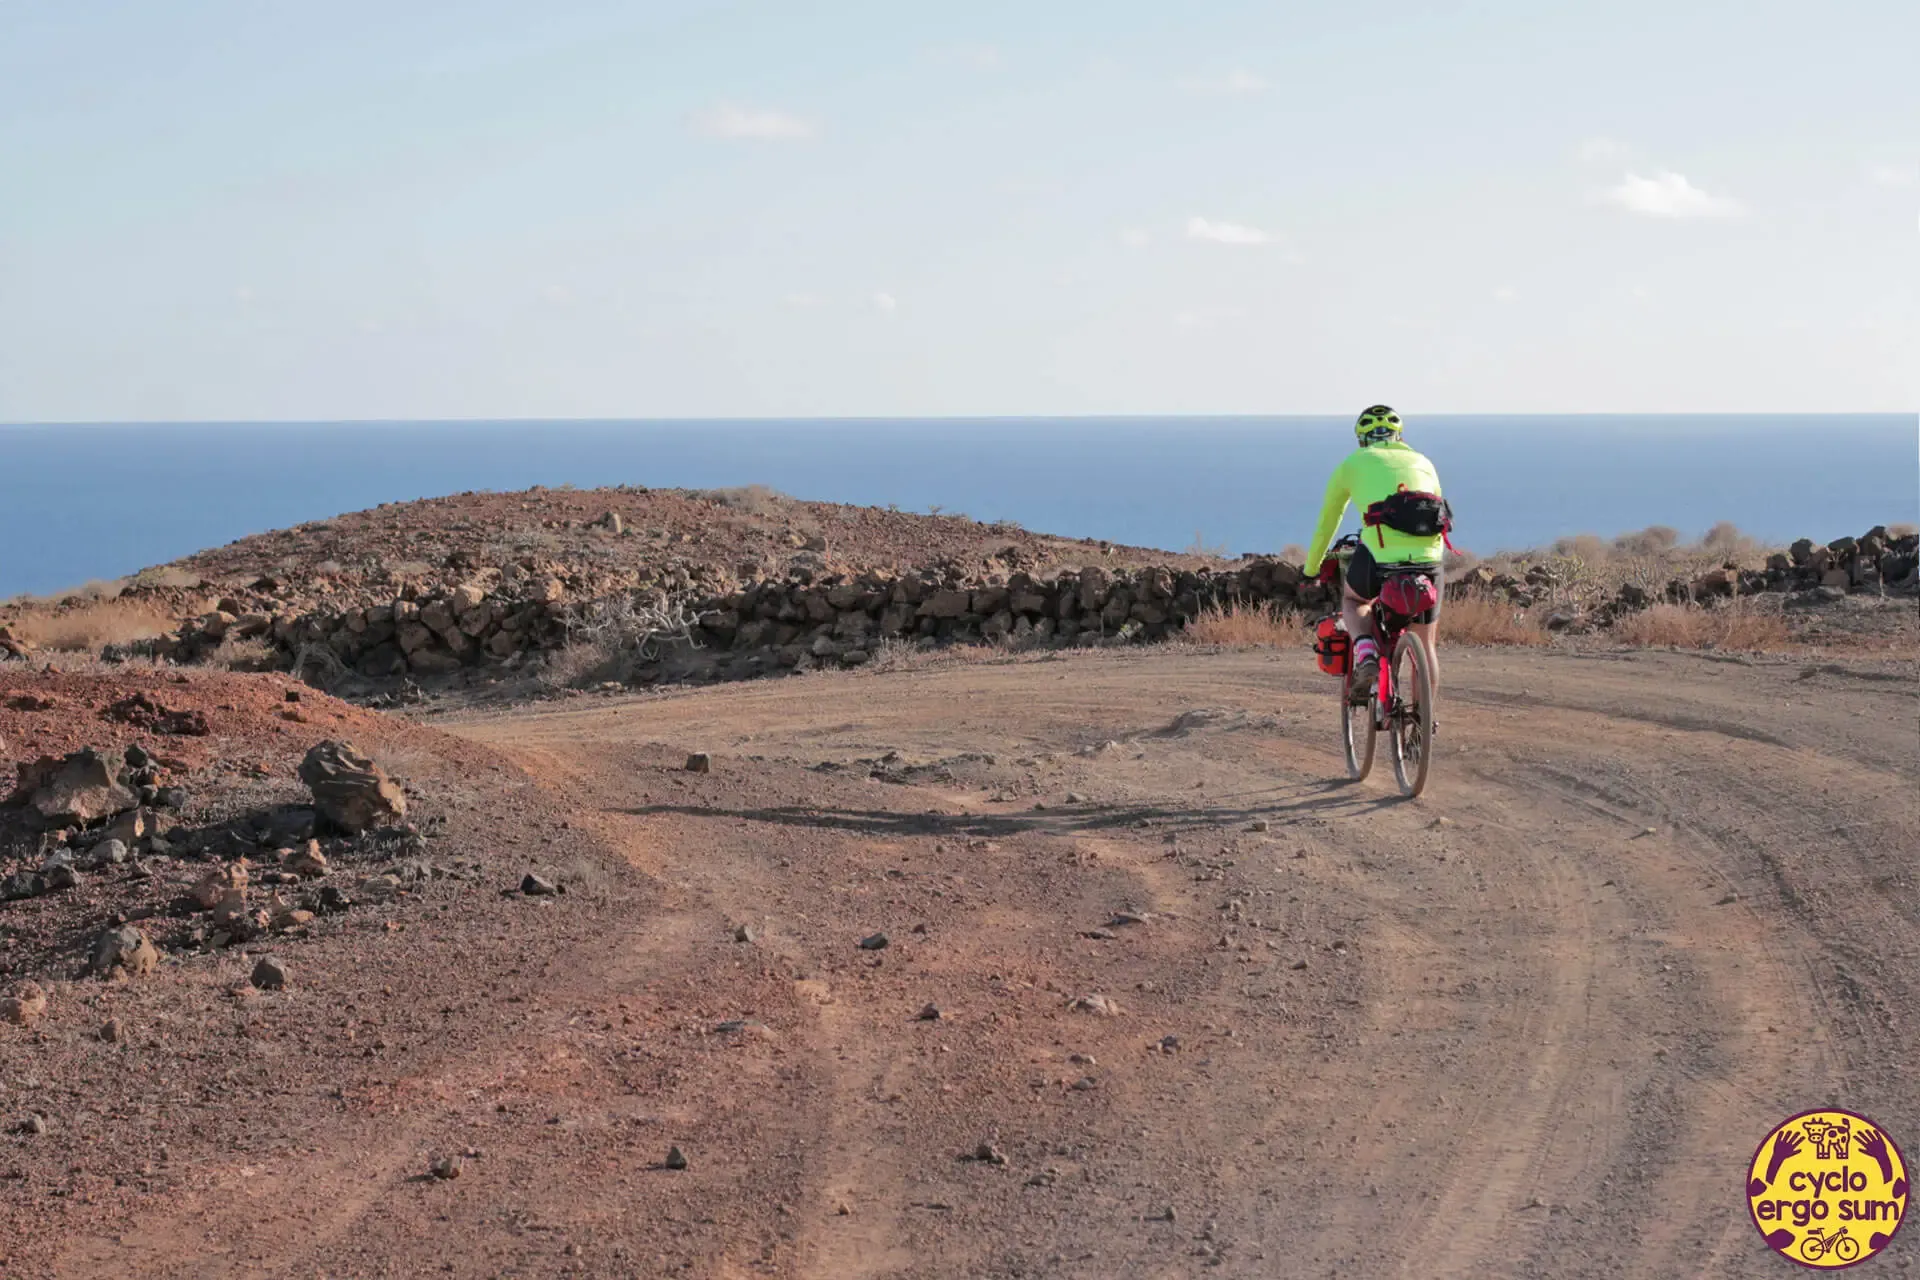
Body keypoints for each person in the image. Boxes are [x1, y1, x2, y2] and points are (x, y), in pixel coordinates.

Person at [1301, 405, 1449, 702]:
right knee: (1426, 643)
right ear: (1399, 436)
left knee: (1354, 599)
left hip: (1379, 557)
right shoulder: (1424, 462)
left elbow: (1327, 524)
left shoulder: (1352, 464)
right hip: (1429, 560)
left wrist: (1310, 570)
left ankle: (1367, 653)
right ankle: (1422, 730)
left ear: (1361, 439)